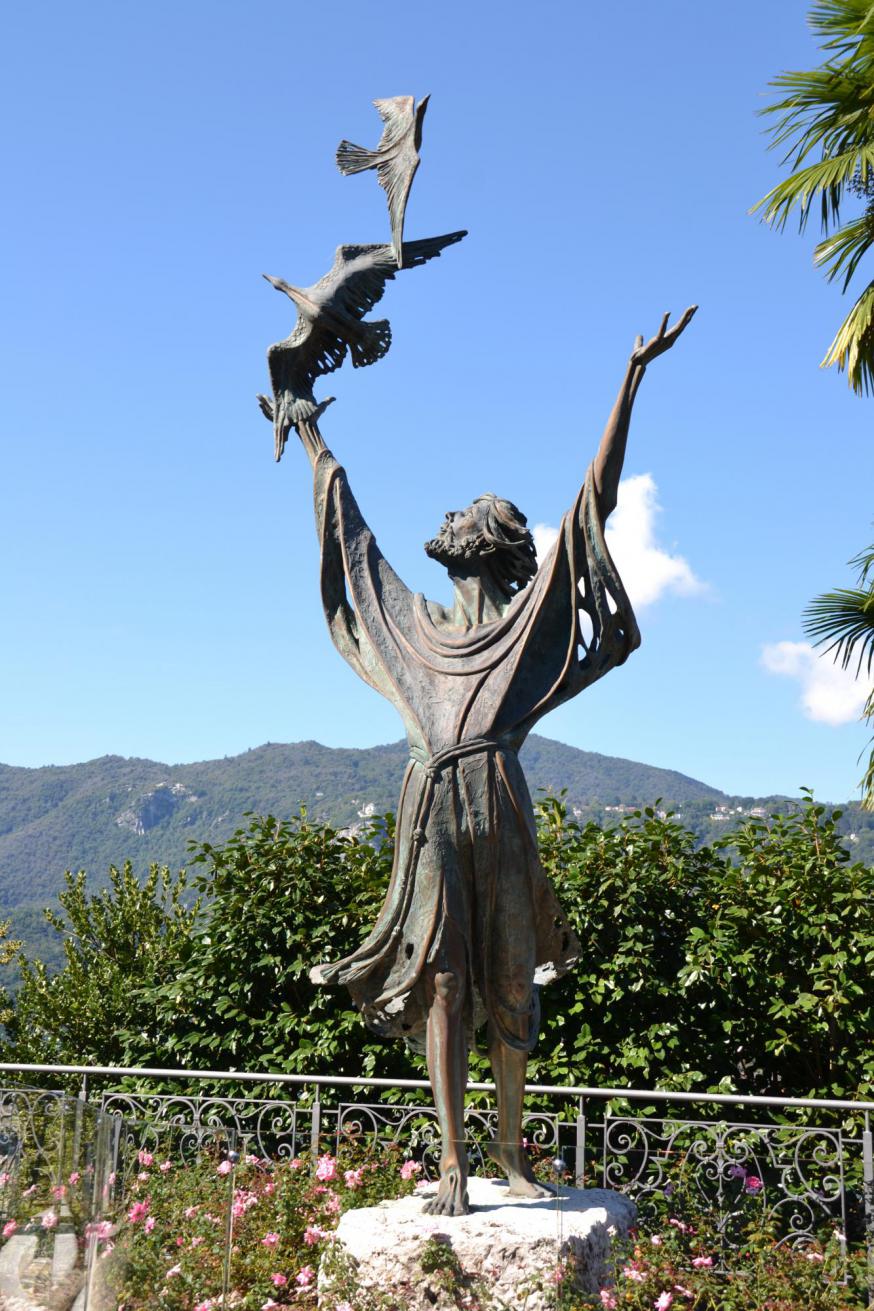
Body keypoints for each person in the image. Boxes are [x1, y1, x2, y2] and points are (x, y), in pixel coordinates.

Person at [305, 307, 696, 1215]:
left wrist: (630, 380)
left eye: (466, 510)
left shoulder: (527, 630)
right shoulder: (412, 626)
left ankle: (511, 1152)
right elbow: (353, 542)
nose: (446, 517)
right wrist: (314, 432)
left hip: (499, 801)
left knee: (510, 975)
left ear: (492, 539)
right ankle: (449, 1157)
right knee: (444, 976)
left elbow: (590, 504)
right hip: (434, 803)